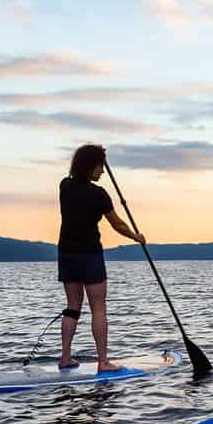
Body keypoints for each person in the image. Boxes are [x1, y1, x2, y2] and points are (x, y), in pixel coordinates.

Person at [57, 144, 145, 372]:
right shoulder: (99, 194)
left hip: (66, 253)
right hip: (89, 254)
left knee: (72, 307)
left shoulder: (64, 186)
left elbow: (76, 184)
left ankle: (65, 357)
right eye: (100, 166)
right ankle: (103, 362)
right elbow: (117, 224)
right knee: (98, 308)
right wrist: (136, 237)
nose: (103, 172)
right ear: (91, 166)